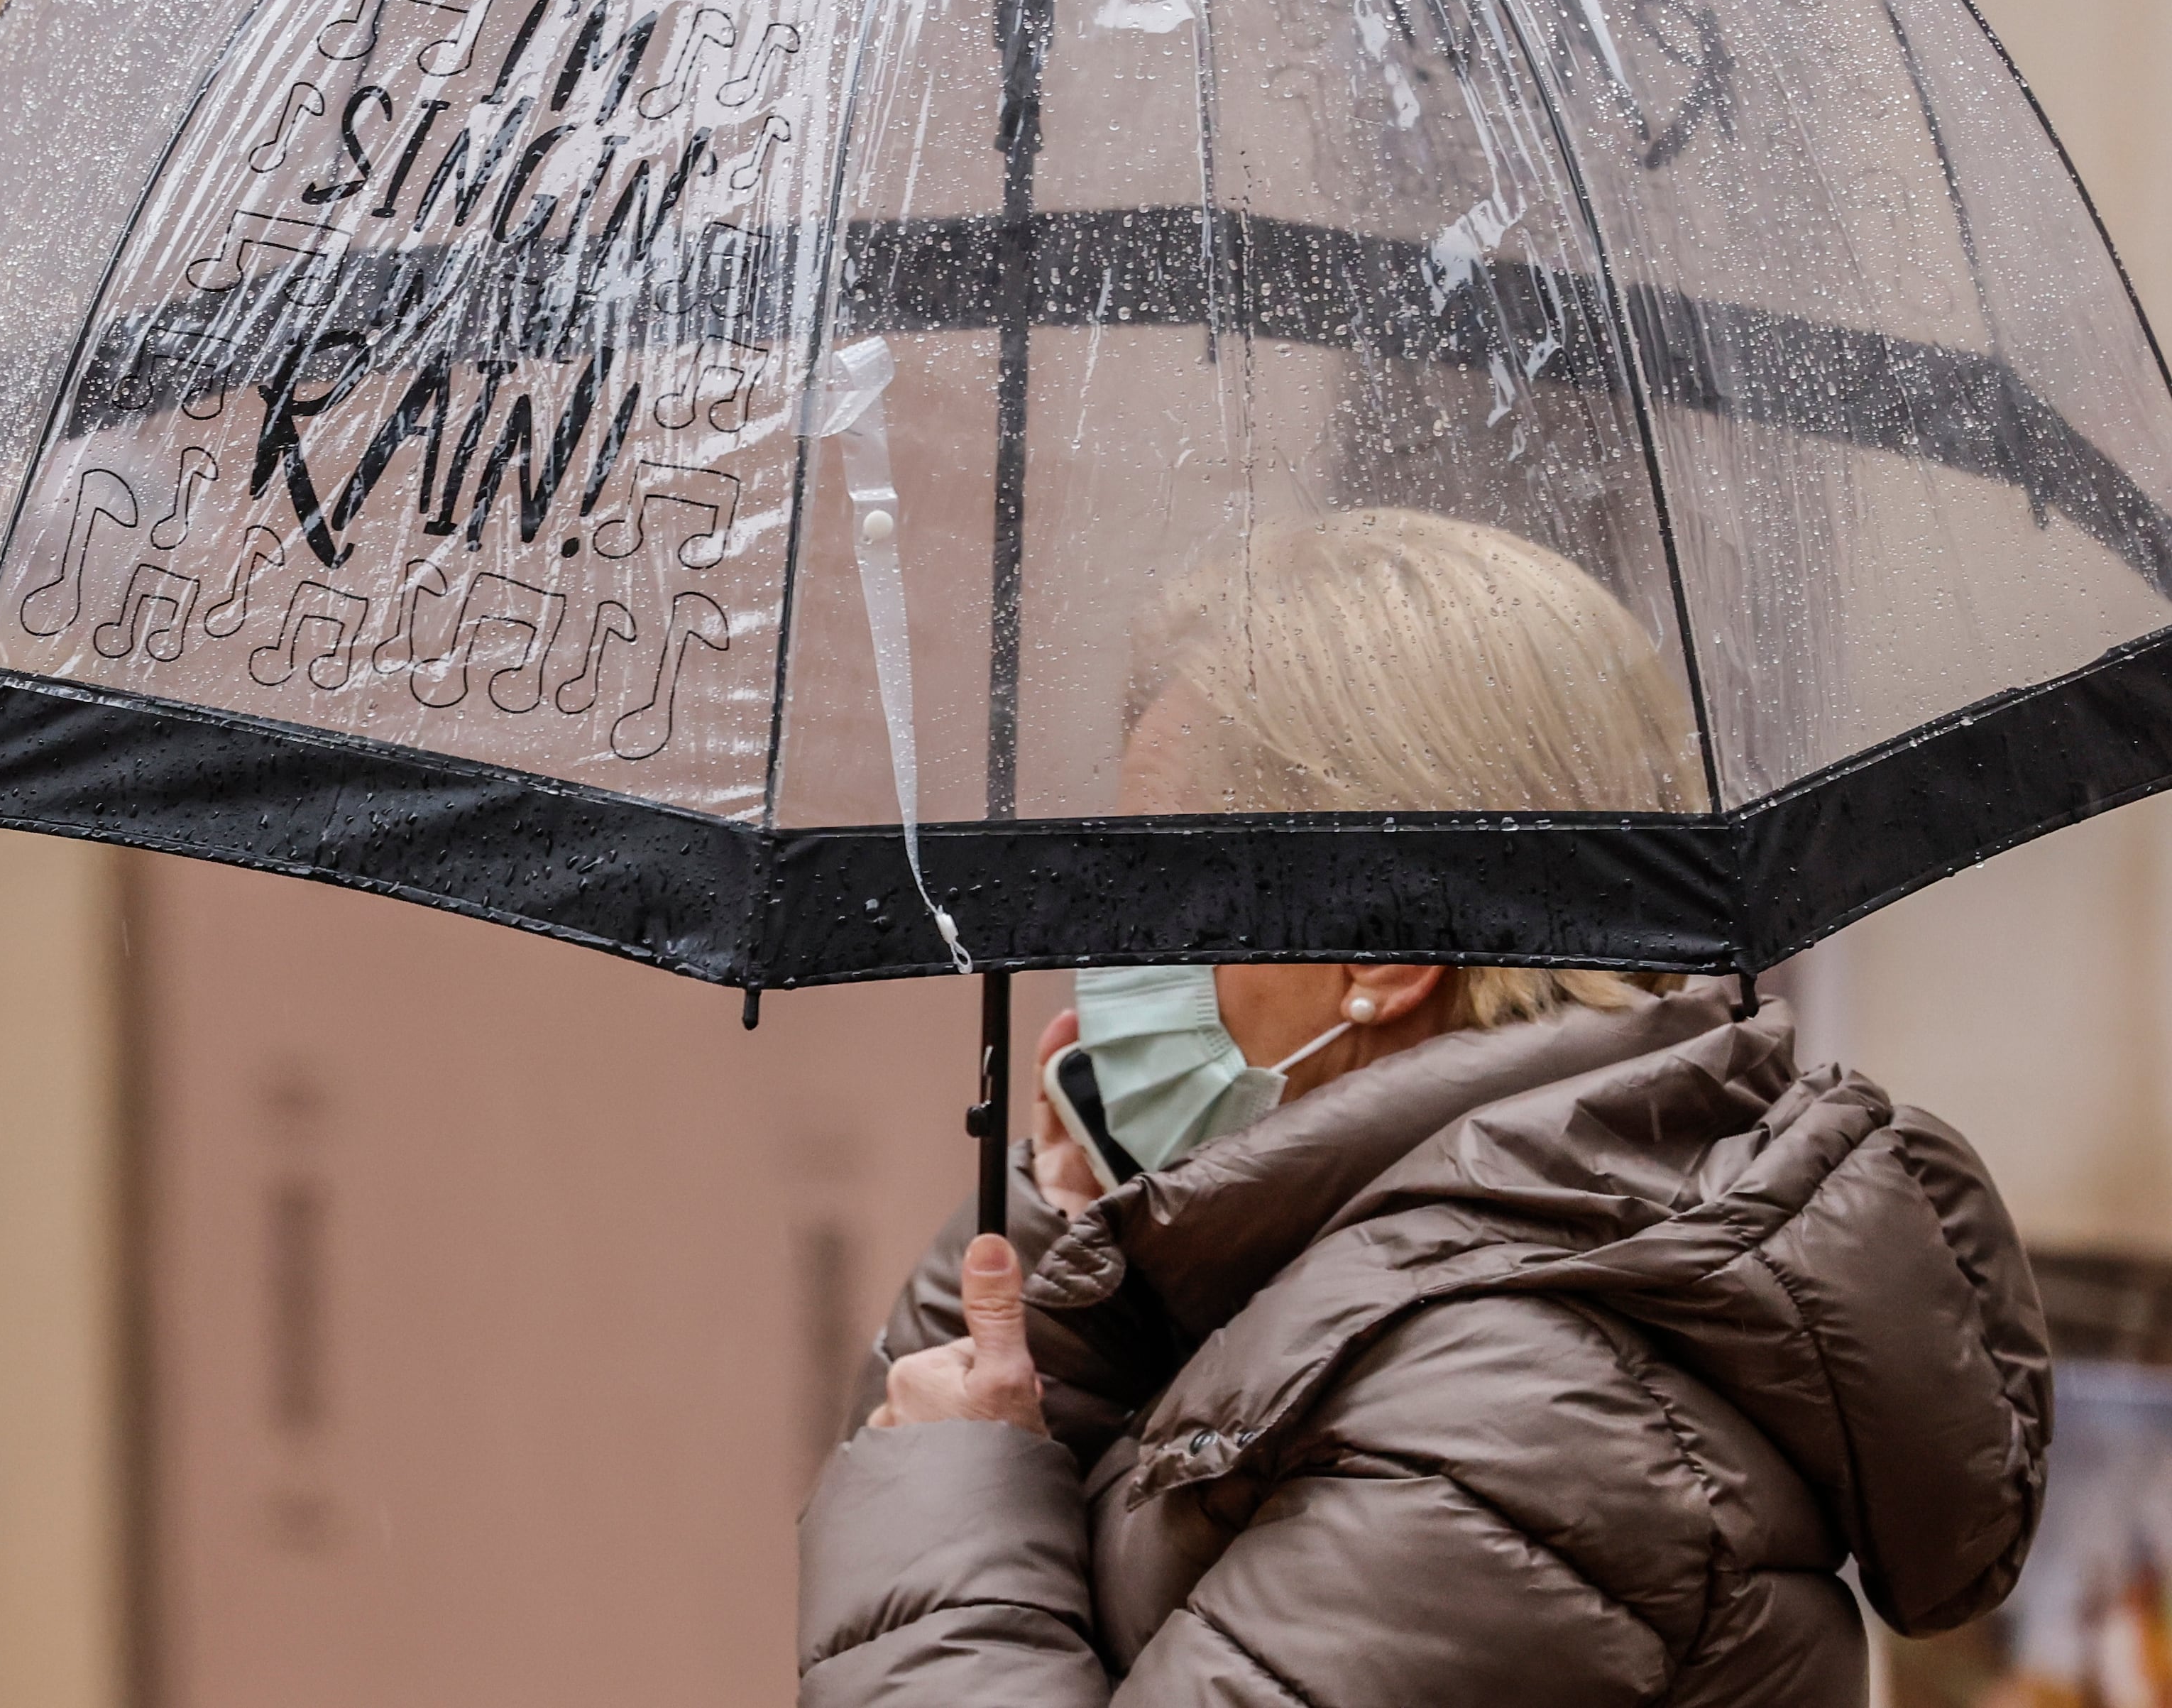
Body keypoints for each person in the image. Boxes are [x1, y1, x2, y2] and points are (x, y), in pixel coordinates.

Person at [797, 508, 2052, 1706]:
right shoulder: (1400, 1304)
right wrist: (1078, 1288)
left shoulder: (1516, 1420)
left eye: (1159, 884)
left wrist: (955, 1480)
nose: (1117, 949)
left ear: (1381, 947)